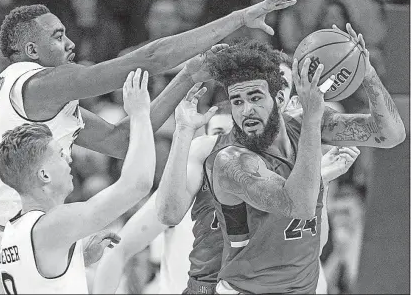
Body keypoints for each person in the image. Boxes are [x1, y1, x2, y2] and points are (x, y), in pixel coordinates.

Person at [0, 0, 301, 293]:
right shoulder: (35, 84)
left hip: (26, 236)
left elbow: (122, 141)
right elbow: (147, 60)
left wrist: (184, 78)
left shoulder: (46, 100)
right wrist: (238, 18)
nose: (70, 43)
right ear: (32, 49)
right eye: (58, 36)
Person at [156, 23, 405, 294]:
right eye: (237, 101)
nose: (245, 109)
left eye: (256, 97)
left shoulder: (305, 128)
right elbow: (298, 204)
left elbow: (389, 135)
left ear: (281, 96)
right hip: (233, 284)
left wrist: (365, 72)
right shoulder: (228, 157)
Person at [0, 68, 154, 294]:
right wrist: (140, 113)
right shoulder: (53, 224)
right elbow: (138, 184)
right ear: (44, 175)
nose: (69, 157)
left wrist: (77, 261)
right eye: (60, 155)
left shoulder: (11, 232)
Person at [92, 101, 233, 294]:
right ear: (203, 139)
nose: (225, 144)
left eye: (235, 134)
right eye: (218, 133)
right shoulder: (181, 189)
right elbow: (118, 250)